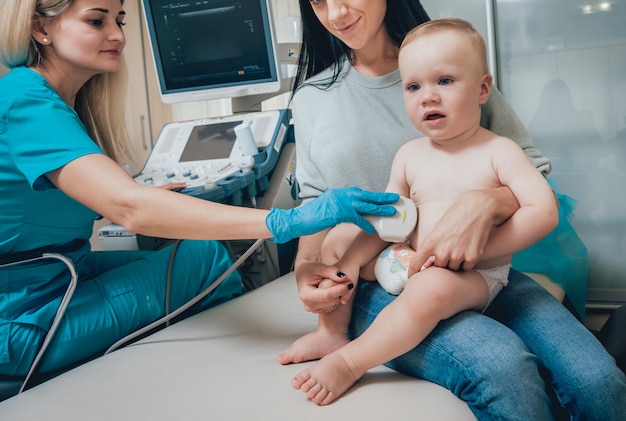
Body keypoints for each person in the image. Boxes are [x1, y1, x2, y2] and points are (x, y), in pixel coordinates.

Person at [0, 0, 400, 381]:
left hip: (55, 279)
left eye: (119, 20)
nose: (117, 35)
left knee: (202, 255)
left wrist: (140, 191)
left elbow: (49, 201)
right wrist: (289, 220)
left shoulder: (51, 101)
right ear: (41, 29)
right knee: (206, 264)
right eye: (96, 20)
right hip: (20, 316)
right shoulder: (27, 100)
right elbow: (130, 210)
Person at [278, 0, 626, 419]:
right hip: (393, 270)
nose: (336, 13)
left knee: (598, 380)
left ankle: (350, 356)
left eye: (443, 81)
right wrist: (321, 266)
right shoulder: (372, 131)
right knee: (504, 368)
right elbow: (380, 213)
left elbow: (538, 196)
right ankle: (345, 353)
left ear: (481, 88)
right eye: (318, 0)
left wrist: (483, 217)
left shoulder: (461, 70)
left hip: (477, 271)